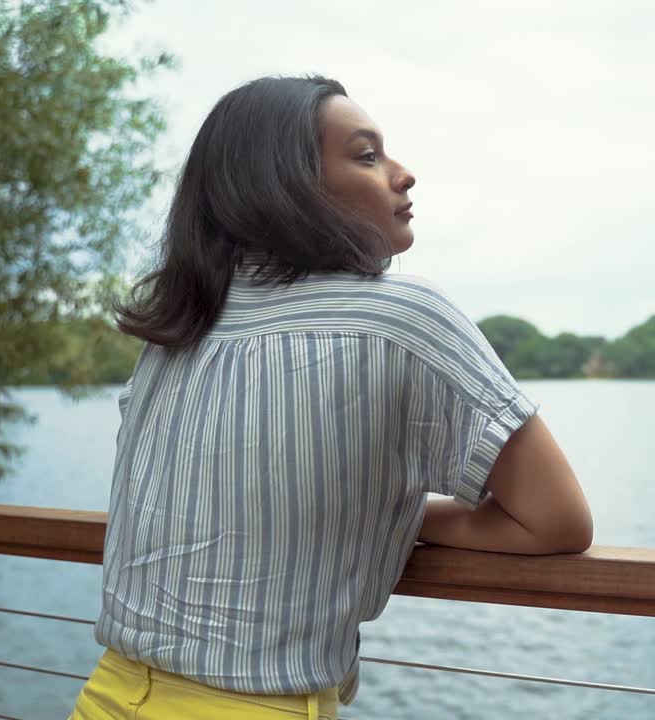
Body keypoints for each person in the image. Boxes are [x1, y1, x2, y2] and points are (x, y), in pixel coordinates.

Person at [68, 75, 593, 720]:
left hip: (108, 695)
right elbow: (557, 521)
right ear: (284, 185)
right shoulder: (401, 317)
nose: (404, 174)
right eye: (367, 155)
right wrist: (397, 516)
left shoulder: (180, 328)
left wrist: (363, 510)